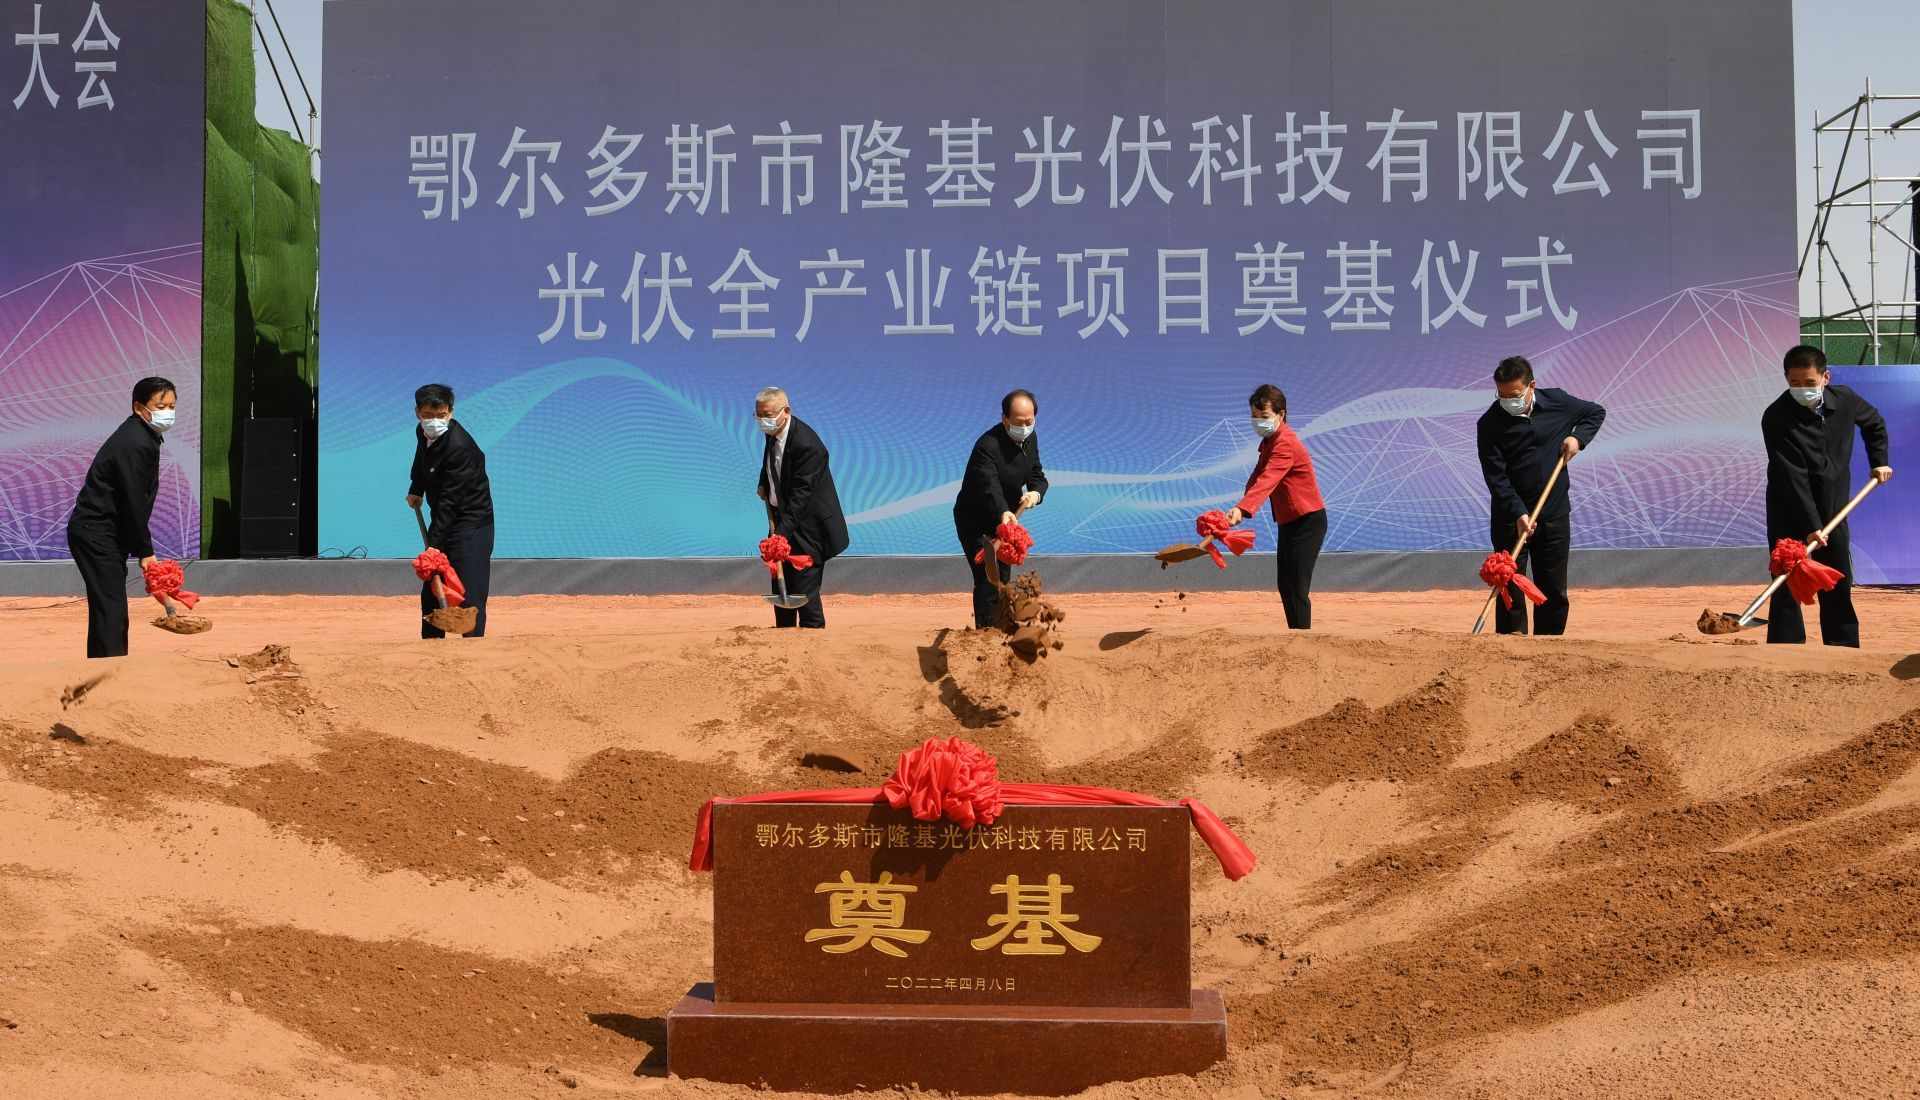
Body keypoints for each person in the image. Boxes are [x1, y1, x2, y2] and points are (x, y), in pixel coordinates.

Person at [1762, 345, 1892, 647]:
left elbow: (1874, 423)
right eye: (1794, 382)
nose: (1802, 389)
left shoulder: (1844, 400)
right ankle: (1785, 649)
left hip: (1833, 505)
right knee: (1786, 578)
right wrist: (1811, 526)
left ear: (1825, 377)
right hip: (1788, 506)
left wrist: (1879, 461)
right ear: (1786, 379)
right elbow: (1792, 475)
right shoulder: (1776, 416)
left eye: (1809, 382)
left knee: (1836, 577)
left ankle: (1842, 647)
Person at [1476, 356, 1606, 636]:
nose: (1508, 401)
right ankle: (1512, 644)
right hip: (1511, 517)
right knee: (1509, 582)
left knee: (1552, 587)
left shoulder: (1557, 402)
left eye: (1514, 395)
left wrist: (1577, 439)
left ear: (1531, 386)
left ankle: (1549, 646)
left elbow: (1595, 413)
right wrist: (1518, 513)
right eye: (1501, 395)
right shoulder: (1489, 424)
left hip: (1553, 512)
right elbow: (1496, 478)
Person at [67, 377, 178, 658]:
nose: (168, 412)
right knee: (111, 607)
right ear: (139, 407)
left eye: (172, 406)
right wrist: (145, 551)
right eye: (160, 406)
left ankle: (105, 665)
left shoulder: (144, 436)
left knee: (109, 606)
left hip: (107, 533)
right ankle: (110, 670)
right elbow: (133, 501)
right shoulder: (134, 442)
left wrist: (140, 548)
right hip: (95, 532)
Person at [1224, 384, 1328, 629]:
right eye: (1254, 416)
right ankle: (1296, 634)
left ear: (1281, 414)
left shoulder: (1285, 443)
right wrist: (1237, 509)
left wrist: (1243, 509)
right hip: (1289, 521)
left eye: (1264, 416)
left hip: (1308, 521)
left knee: (1297, 586)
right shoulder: (1269, 442)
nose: (1258, 422)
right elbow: (1257, 477)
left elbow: (1269, 479)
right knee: (1285, 584)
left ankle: (1302, 638)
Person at [755, 387, 849, 628]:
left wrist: (780, 537)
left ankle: (812, 639)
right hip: (783, 520)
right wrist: (764, 482)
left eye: (767, 415)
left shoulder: (808, 446)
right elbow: (771, 461)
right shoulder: (773, 431)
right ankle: (784, 636)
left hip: (809, 528)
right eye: (758, 416)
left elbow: (801, 496)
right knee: (780, 586)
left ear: (786, 411)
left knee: (804, 590)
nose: (763, 421)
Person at [406, 384, 494, 638]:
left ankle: (472, 645)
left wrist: (433, 546)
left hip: (471, 523)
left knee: (469, 591)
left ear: (450, 413)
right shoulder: (422, 432)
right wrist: (416, 488)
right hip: (444, 519)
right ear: (418, 413)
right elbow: (422, 460)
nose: (434, 421)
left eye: (441, 415)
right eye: (427, 415)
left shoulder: (460, 447)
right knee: (432, 589)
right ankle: (433, 646)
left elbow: (450, 502)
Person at [954, 389, 1047, 628]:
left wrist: (1035, 493)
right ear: (1005, 419)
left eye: (1029, 421)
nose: (1025, 427)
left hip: (1006, 521)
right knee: (987, 577)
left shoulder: (1030, 438)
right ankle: (985, 635)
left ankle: (1001, 627)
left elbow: (1036, 474)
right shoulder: (987, 446)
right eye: (1019, 422)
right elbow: (989, 486)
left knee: (1002, 577)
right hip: (976, 520)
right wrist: (1002, 511)